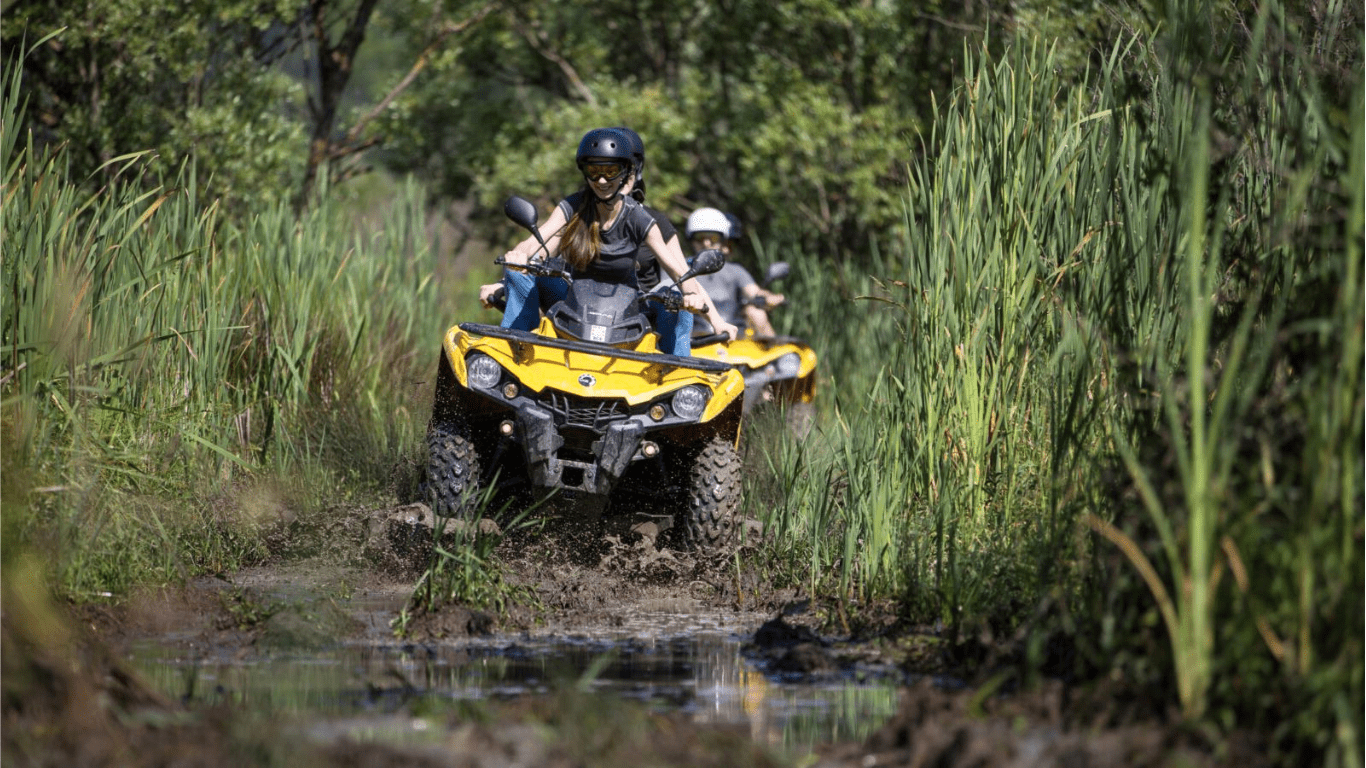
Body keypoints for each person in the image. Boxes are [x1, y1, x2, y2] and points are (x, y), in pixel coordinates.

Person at [484, 128, 737, 354]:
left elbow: (680, 272)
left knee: (674, 299)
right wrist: (513, 265)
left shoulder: (644, 219)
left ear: (628, 172)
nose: (602, 180)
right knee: (523, 273)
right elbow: (535, 245)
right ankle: (515, 347)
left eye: (611, 171)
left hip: (630, 309)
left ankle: (678, 372)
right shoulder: (574, 206)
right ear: (585, 173)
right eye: (595, 171)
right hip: (573, 299)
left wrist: (714, 318)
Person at [684, 207, 782, 338]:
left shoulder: (736, 271)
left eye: (713, 238)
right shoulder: (680, 268)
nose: (706, 243)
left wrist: (768, 298)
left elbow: (754, 292)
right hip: (692, 337)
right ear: (691, 239)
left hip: (735, 336)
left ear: (722, 240)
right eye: (699, 238)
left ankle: (778, 355)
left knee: (757, 313)